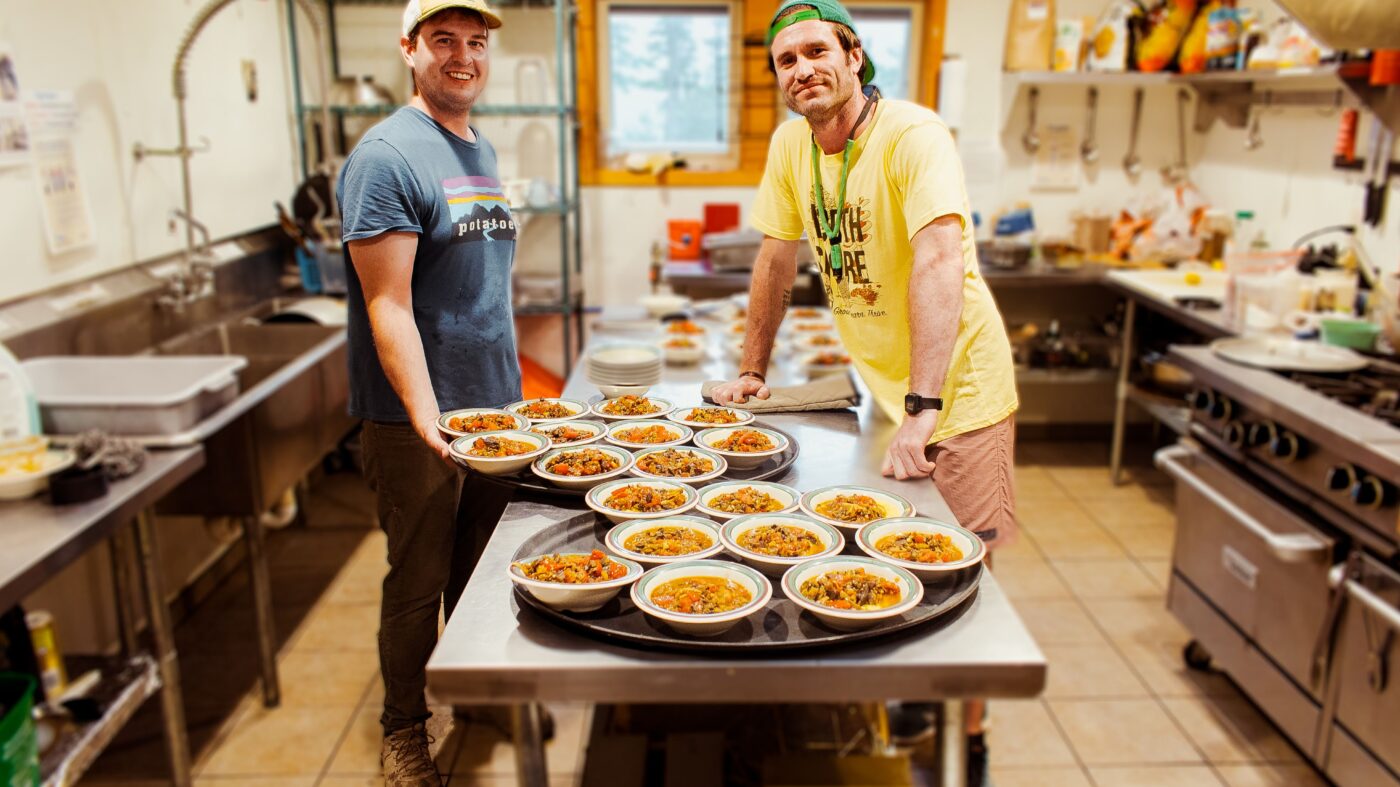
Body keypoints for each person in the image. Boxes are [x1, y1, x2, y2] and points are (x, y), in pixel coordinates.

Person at [709, 1, 1019, 781]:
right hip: (888, 389)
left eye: (817, 50)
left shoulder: (912, 135)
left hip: (960, 390)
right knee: (900, 561)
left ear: (853, 55)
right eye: (785, 60)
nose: (802, 69)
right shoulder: (792, 144)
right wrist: (754, 369)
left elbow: (940, 260)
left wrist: (923, 409)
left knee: (961, 578)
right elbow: (776, 261)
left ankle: (966, 742)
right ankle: (913, 700)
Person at [337, 0, 519, 783]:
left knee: (479, 569)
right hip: (422, 418)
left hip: (496, 410)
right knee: (419, 579)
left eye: (475, 43)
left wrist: (514, 404)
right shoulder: (386, 156)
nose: (463, 57)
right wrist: (424, 416)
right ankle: (404, 728)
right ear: (408, 47)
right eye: (443, 40)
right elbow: (388, 304)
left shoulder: (476, 144)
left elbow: (477, 287)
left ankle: (474, 689)